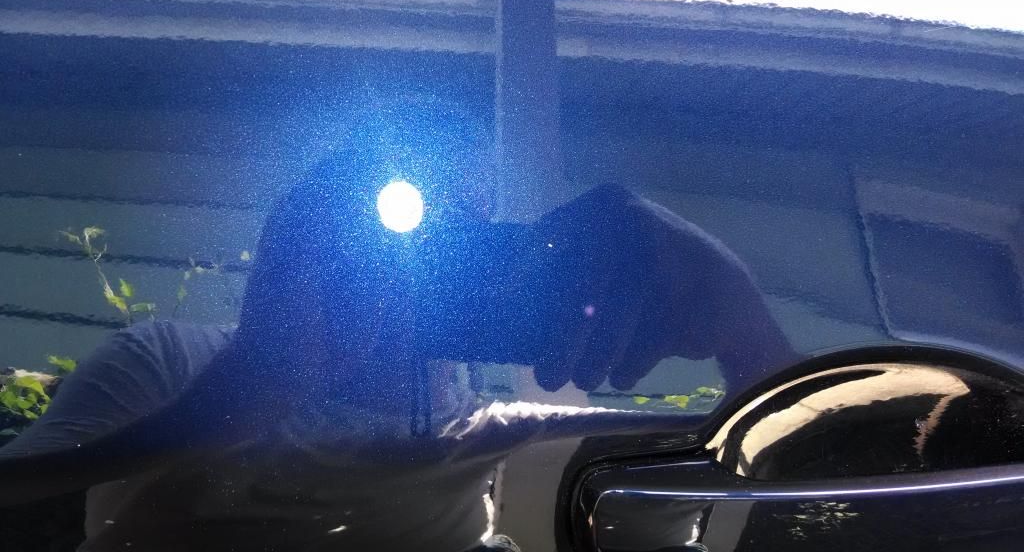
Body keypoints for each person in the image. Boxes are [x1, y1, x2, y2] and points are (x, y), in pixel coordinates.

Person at [0, 97, 792, 552]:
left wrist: (738, 316)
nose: (424, 269)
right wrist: (239, 399)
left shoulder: (497, 434)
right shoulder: (169, 363)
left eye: (468, 241)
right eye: (382, 231)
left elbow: (797, 468)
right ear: (304, 236)